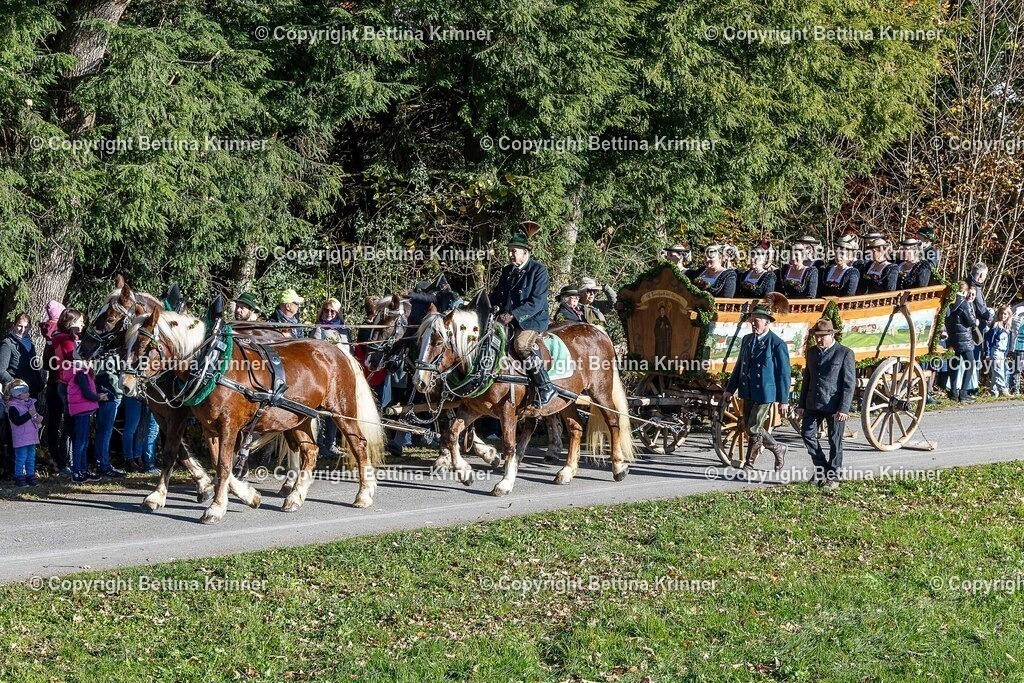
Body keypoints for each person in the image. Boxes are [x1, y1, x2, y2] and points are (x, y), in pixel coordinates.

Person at [490, 225, 556, 408]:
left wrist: (513, 315)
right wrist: (475, 303)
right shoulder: (507, 271)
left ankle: (545, 386)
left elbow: (537, 302)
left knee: (521, 345)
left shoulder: (539, 270)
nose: (510, 255)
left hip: (532, 320)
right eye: (509, 251)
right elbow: (496, 295)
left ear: (525, 253)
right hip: (506, 319)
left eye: (514, 251)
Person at [724, 298, 791, 473]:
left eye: (757, 321)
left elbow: (784, 374)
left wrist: (784, 400)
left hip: (765, 393)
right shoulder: (747, 340)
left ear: (767, 322)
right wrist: (730, 389)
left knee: (753, 427)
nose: (753, 324)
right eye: (752, 321)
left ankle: (749, 464)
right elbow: (739, 367)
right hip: (747, 390)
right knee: (748, 426)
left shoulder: (777, 344)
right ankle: (778, 448)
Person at [796, 319, 856, 491]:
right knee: (807, 434)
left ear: (832, 335)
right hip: (813, 403)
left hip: (834, 405)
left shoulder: (844, 353)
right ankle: (821, 468)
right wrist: (801, 404)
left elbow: (849, 383)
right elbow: (807, 379)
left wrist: (844, 408)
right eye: (817, 337)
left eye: (823, 337)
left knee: (835, 441)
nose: (819, 340)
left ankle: (834, 476)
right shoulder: (812, 352)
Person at [39, 300, 68, 473]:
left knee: (54, 424)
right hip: (63, 383)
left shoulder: (49, 335)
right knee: (67, 423)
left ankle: (56, 459)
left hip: (52, 384)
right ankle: (63, 461)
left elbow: (46, 363)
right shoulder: (61, 334)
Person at [67, 358, 102, 484]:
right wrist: (99, 397)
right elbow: (87, 393)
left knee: (84, 442)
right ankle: (76, 471)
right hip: (80, 411)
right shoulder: (80, 374)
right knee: (80, 442)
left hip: (85, 411)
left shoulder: (85, 373)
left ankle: (83, 469)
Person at [944, 281, 979, 403]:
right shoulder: (964, 303)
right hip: (964, 340)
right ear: (964, 291)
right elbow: (970, 321)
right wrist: (975, 322)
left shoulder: (949, 302)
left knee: (954, 366)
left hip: (952, 339)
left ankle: (953, 393)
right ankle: (963, 393)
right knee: (970, 365)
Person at [6, 379, 43, 487]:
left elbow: (34, 417)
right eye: (25, 392)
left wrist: (38, 419)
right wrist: (29, 414)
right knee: (21, 458)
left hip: (31, 436)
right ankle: (19, 477)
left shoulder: (30, 404)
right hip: (21, 437)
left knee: (31, 457)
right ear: (17, 394)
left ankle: (30, 476)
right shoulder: (13, 406)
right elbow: (17, 421)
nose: (28, 394)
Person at [93, 361, 125, 478]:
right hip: (108, 394)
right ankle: (103, 466)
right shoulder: (103, 354)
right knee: (105, 432)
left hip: (112, 394)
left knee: (104, 432)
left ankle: (102, 464)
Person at [0, 314, 44, 398]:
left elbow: (34, 366)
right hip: (15, 393)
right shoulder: (7, 344)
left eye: (26, 327)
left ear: (30, 327)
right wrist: (17, 384)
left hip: (31, 390)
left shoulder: (31, 343)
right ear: (14, 326)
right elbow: (1, 371)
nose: (22, 330)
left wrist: (39, 383)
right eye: (19, 326)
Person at [986, 306, 1012, 397]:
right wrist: (987, 353)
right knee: (999, 371)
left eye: (1005, 314)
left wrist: (1005, 354)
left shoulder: (1007, 327)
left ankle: (994, 392)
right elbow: (988, 340)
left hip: (1002, 352)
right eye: (1001, 313)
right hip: (996, 351)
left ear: (1008, 315)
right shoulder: (995, 326)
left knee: (997, 372)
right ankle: (1003, 390)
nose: (1003, 315)